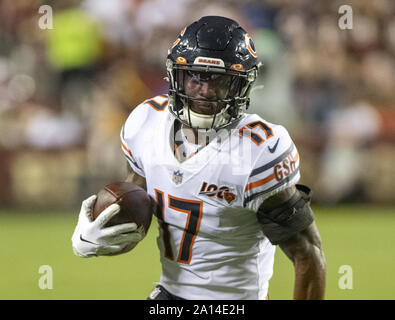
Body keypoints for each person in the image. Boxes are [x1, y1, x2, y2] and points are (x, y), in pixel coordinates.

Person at [71, 16, 326, 300]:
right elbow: (137, 214)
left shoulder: (258, 151)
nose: (205, 90)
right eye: (196, 76)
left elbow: (308, 254)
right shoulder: (146, 123)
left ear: (241, 85)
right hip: (168, 295)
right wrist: (95, 235)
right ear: (176, 75)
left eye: (220, 79)